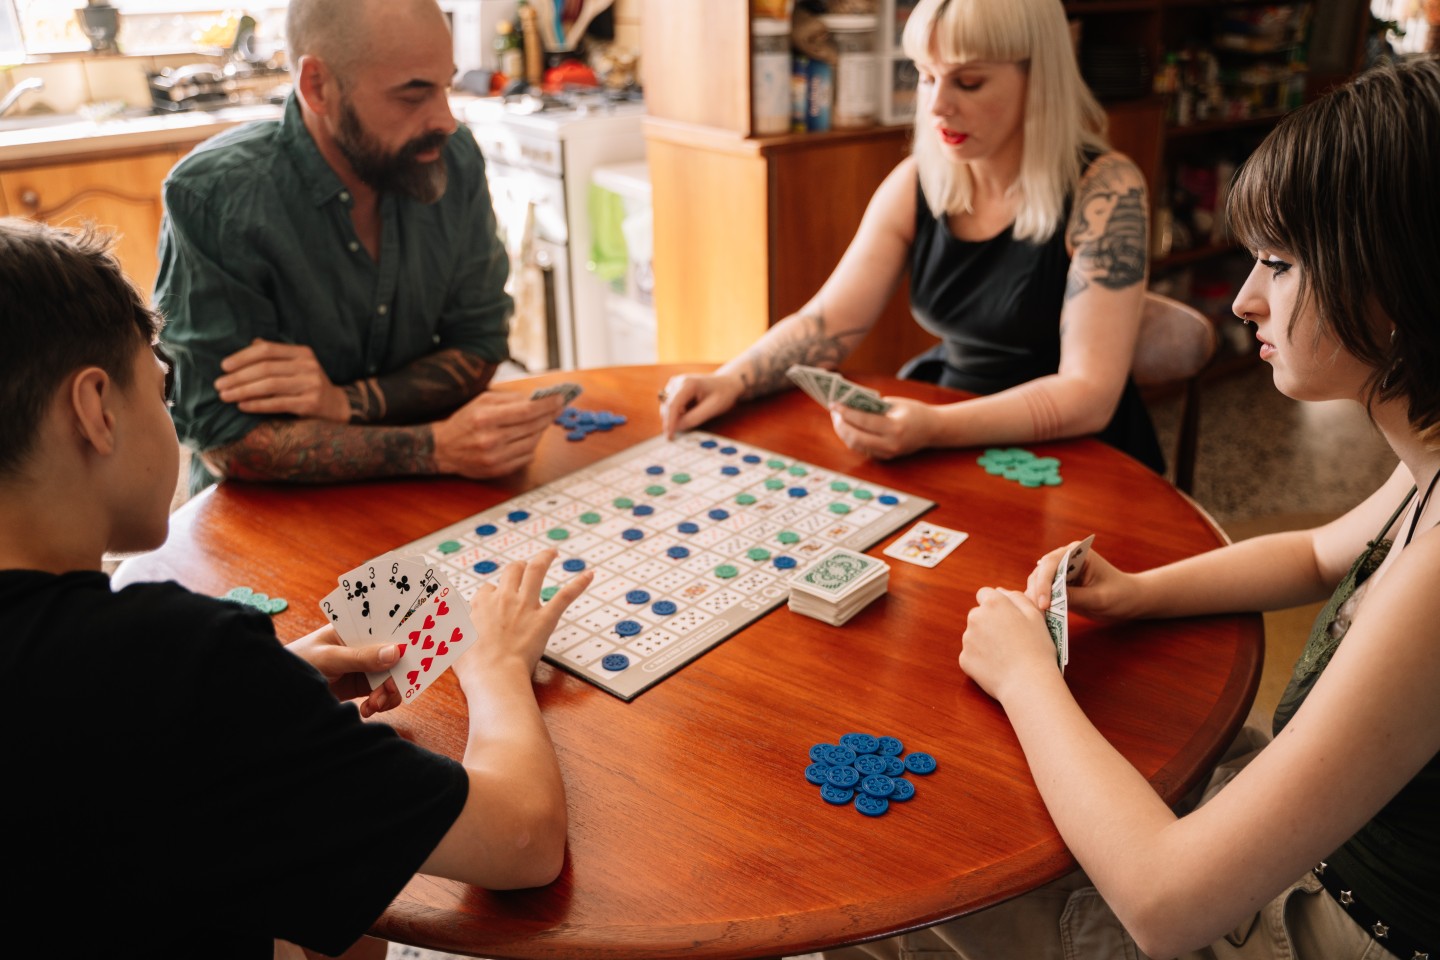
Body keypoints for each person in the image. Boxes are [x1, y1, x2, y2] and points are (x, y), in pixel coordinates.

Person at [830, 56, 1440, 960]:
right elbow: (1318, 554)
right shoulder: (1424, 465)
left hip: (1317, 923)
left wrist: (1027, 675)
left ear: (1395, 283)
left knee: (890, 895)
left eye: (1279, 261)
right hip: (1305, 855)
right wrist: (1138, 593)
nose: (1244, 299)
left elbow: (1166, 906)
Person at [0, 216, 594, 958]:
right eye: (159, 391)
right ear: (95, 410)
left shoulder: (167, 674)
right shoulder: (179, 661)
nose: (174, 418)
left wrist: (262, 696)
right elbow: (524, 841)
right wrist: (497, 665)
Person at [660, 0, 1162, 473]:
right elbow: (829, 321)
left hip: (1074, 455)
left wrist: (936, 427)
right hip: (945, 428)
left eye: (968, 82)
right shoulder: (917, 179)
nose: (937, 105)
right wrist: (731, 380)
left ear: (1040, 81)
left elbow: (1089, 395)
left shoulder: (1108, 190)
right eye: (925, 77)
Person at [156, 0, 563, 496]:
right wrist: (431, 447)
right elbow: (222, 437)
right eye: (414, 95)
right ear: (318, 87)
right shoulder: (217, 195)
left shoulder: (452, 161)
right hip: (268, 519)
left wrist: (343, 403)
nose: (446, 120)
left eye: (445, 86)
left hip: (430, 498)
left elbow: (480, 345)